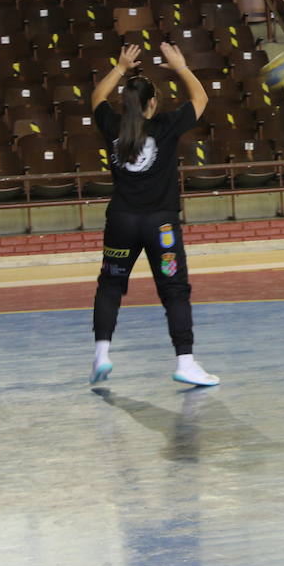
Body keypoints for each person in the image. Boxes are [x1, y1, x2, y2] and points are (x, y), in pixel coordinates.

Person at [89, 42, 218, 387]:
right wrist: (180, 66)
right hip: (160, 224)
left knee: (110, 285)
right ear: (152, 104)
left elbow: (96, 99)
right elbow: (201, 101)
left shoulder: (113, 126)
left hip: (121, 222)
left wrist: (119, 67)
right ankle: (185, 362)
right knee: (174, 290)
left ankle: (102, 354)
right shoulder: (166, 126)